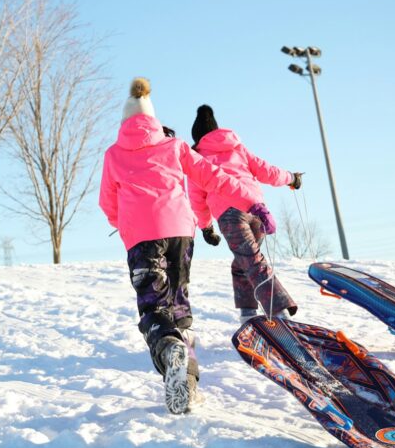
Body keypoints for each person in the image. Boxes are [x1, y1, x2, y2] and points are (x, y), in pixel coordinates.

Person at [99, 78, 261, 414]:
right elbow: (213, 176)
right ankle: (187, 386)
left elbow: (107, 202)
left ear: (125, 121)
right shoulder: (174, 146)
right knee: (179, 306)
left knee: (155, 307)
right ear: (153, 119)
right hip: (180, 233)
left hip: (143, 238)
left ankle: (168, 346)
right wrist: (253, 202)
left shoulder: (113, 154)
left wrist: (122, 224)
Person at [188, 104, 303, 324]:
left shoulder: (198, 159)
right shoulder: (237, 148)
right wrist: (291, 178)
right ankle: (248, 313)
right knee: (244, 262)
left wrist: (206, 228)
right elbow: (267, 171)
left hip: (230, 215)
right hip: (255, 211)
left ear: (198, 137)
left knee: (251, 262)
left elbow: (196, 198)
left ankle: (279, 312)